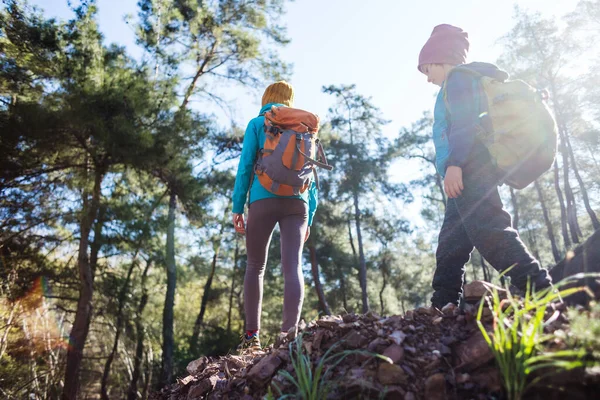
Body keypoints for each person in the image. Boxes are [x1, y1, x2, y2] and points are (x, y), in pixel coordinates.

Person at [417, 24, 552, 309]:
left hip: (471, 164)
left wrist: (455, 164)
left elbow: (465, 123)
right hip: (469, 166)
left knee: (490, 230)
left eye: (427, 70)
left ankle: (541, 290)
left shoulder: (459, 79)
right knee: (452, 242)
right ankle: (443, 303)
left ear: (441, 59)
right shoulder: (463, 80)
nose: (427, 79)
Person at [232, 81, 318, 350]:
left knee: (255, 266)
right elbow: (311, 176)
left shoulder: (258, 124)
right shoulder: (304, 127)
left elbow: (246, 166)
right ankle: (288, 336)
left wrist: (237, 206)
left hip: (262, 198)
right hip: (297, 203)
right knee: (292, 267)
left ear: (266, 98)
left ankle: (251, 338)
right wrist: (310, 216)